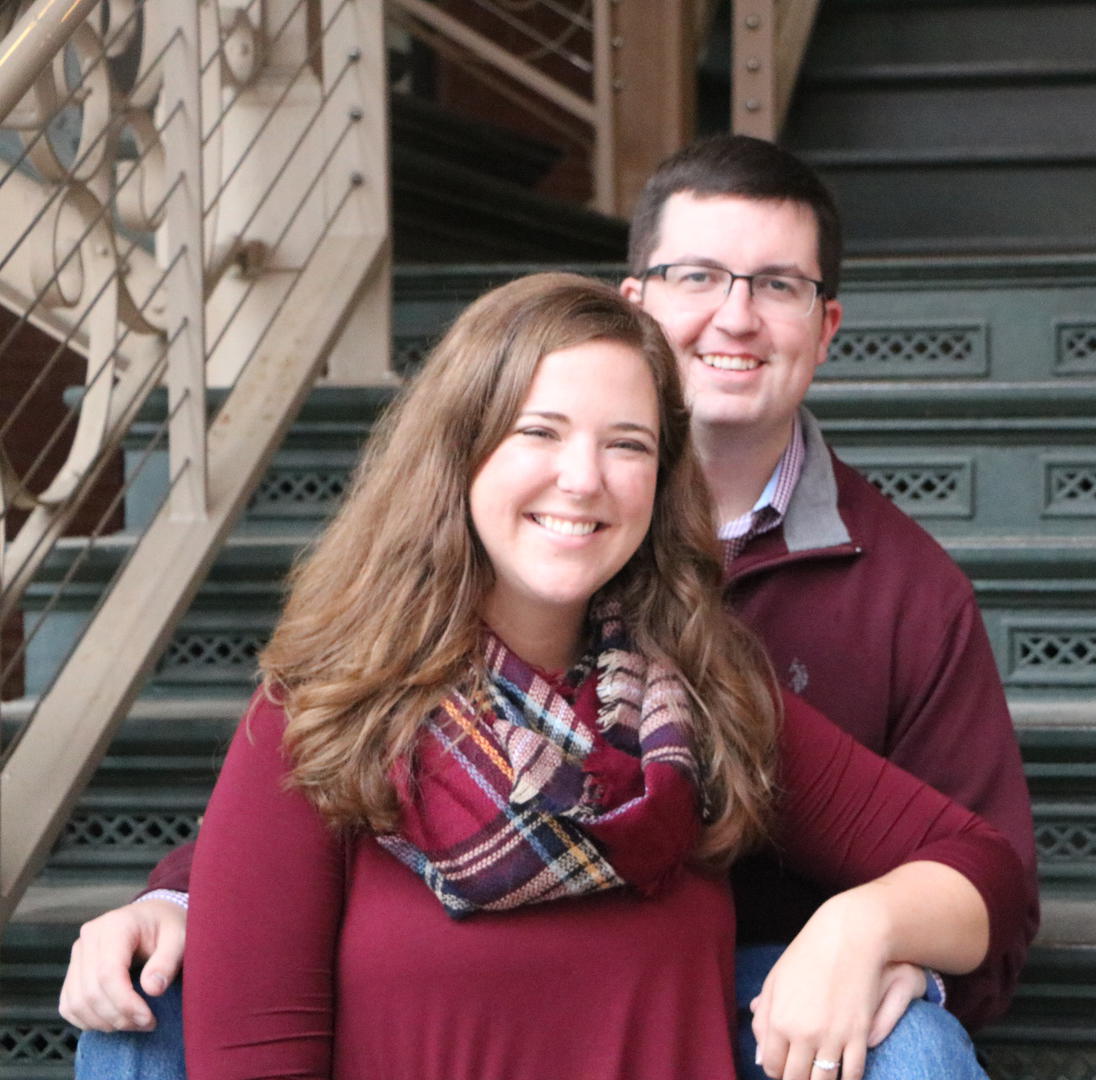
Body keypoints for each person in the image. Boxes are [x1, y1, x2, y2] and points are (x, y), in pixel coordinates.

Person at [62, 136, 1037, 1079]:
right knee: (144, 1009)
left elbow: (981, 867)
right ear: (461, 456)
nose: (583, 479)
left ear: (661, 482)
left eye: (627, 444)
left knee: (907, 1037)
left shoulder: (703, 701)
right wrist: (178, 900)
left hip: (769, 1010)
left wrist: (859, 925)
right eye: (540, 431)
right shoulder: (328, 715)